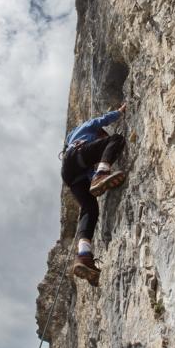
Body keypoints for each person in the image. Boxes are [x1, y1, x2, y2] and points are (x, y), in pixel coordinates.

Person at [61, 103, 127, 286]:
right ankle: (102, 172)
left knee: (90, 209)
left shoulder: (72, 146)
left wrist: (98, 179)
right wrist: (119, 112)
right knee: (116, 139)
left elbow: (92, 184)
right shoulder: (82, 131)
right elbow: (99, 121)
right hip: (77, 157)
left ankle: (84, 256)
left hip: (71, 176)